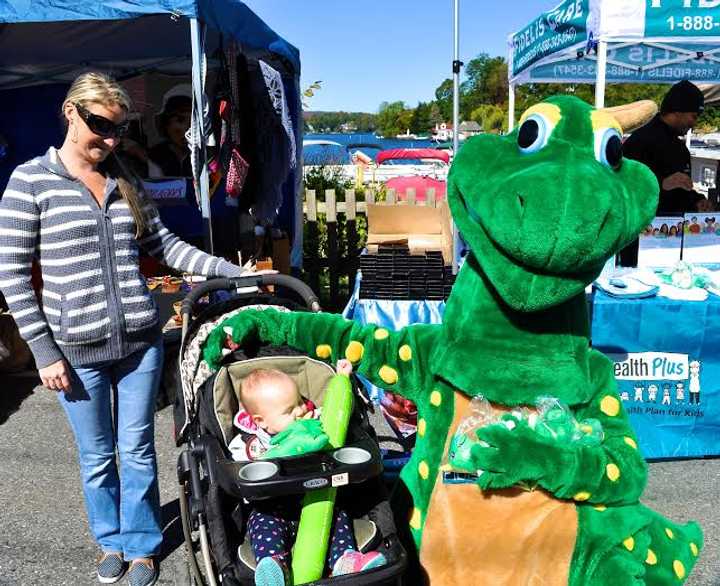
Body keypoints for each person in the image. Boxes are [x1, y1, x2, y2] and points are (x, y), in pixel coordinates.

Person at [0, 72, 251, 586]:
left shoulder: (125, 178)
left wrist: (229, 271)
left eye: (119, 129)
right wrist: (44, 351)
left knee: (136, 448)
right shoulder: (30, 181)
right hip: (73, 350)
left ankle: (141, 547)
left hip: (140, 342)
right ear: (71, 112)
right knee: (96, 456)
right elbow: (11, 277)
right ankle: (108, 541)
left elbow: (165, 246)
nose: (111, 140)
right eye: (101, 127)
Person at [229, 361, 387, 586]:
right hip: (274, 508)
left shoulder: (314, 422)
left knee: (338, 517)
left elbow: (337, 414)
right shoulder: (249, 445)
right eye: (290, 410)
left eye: (300, 402)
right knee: (261, 521)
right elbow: (241, 475)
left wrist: (342, 378)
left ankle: (345, 559)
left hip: (318, 500)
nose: (301, 410)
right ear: (260, 421)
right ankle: (273, 565)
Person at [619, 80, 712, 265]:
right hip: (641, 240)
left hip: (674, 239)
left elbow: (682, 190)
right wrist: (662, 183)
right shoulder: (640, 141)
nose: (694, 123)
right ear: (677, 111)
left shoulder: (680, 147)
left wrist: (697, 200)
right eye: (693, 116)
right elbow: (623, 188)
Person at [148, 87, 192, 177]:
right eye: (180, 120)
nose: (187, 128)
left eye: (193, 122)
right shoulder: (153, 156)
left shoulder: (207, 157)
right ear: (166, 124)